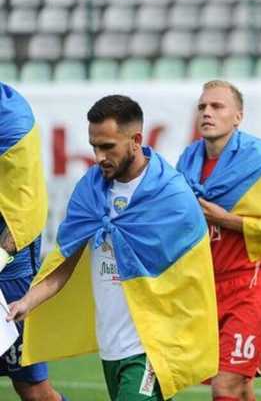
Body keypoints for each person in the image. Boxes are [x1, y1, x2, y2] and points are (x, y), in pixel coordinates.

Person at [7, 95, 219, 400]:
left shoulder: (171, 194)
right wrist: (27, 302)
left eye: (108, 147)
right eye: (94, 146)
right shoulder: (90, 190)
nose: (99, 156)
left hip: (151, 346)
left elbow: (192, 275)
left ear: (135, 140)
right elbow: (64, 262)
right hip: (111, 347)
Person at [177, 80, 261, 401]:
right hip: (205, 291)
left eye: (217, 106)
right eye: (202, 106)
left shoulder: (256, 162)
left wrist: (225, 219)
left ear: (238, 116)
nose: (207, 112)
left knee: (225, 386)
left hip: (249, 285)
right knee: (241, 387)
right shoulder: (187, 163)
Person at [0, 83, 65, 401]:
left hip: (9, 271)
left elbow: (25, 211)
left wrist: (0, 257)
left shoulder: (12, 123)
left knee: (33, 389)